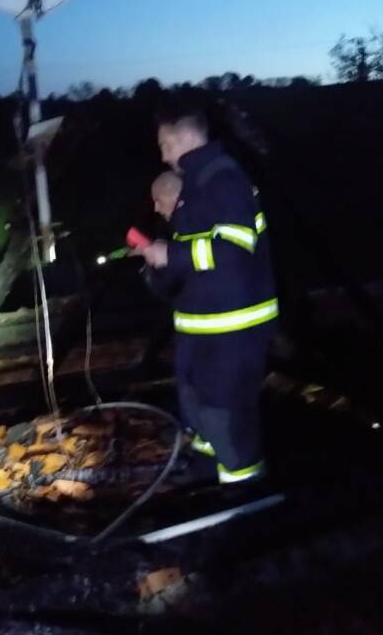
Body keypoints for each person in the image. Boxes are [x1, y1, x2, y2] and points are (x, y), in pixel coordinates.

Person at [139, 104, 277, 485]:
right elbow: (193, 264)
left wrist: (172, 254)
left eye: (166, 144)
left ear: (186, 137)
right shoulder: (196, 187)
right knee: (199, 411)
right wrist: (159, 266)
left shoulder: (224, 179)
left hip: (232, 330)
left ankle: (243, 499)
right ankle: (206, 475)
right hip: (201, 330)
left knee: (226, 416)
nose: (164, 155)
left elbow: (234, 250)